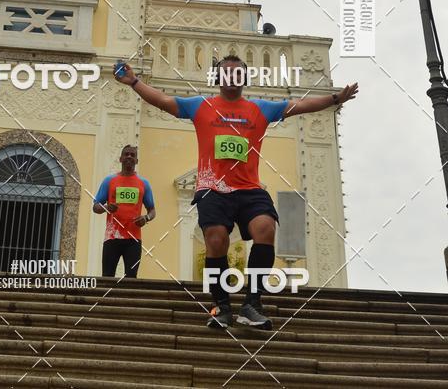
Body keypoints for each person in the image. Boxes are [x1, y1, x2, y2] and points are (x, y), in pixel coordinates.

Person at [113, 56, 358, 329]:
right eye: (226, 73)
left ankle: (252, 304)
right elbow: (164, 101)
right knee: (216, 240)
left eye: (238, 73)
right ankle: (221, 306)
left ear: (245, 78)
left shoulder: (260, 109)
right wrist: (134, 81)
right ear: (218, 78)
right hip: (212, 188)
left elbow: (299, 106)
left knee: (266, 228)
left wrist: (335, 98)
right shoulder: (201, 105)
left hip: (249, 189)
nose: (232, 77)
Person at [93, 144, 156, 278]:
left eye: (132, 155)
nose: (129, 157)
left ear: (137, 161)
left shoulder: (144, 183)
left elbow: (152, 210)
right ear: (120, 159)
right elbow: (95, 207)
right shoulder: (109, 181)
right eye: (126, 154)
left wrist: (146, 218)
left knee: (131, 277)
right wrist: (106, 207)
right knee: (107, 276)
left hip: (134, 239)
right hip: (112, 237)